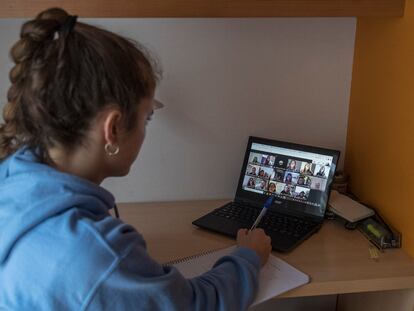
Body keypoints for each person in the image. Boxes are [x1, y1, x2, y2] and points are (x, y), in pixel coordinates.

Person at [0, 8, 272, 311]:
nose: (145, 129)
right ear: (113, 128)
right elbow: (198, 305)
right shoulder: (98, 256)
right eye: (148, 117)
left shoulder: (12, 178)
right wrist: (247, 257)